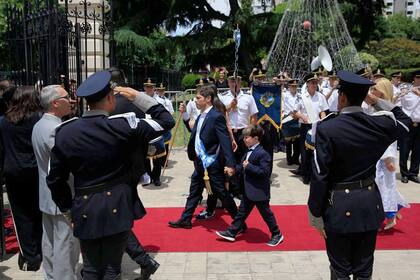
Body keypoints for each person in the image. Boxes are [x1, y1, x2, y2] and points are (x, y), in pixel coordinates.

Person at [46, 70, 175, 280]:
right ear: (109, 98)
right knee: (111, 270)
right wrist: (138, 96)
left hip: (85, 207)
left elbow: (54, 179)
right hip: (118, 204)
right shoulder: (125, 126)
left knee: (90, 269)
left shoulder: (65, 131)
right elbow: (166, 121)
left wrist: (67, 209)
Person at [308, 70, 411, 280]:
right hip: (368, 203)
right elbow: (404, 121)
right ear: (364, 96)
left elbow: (320, 175)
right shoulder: (378, 124)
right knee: (364, 270)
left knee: (340, 269)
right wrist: (373, 101)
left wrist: (315, 212)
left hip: (338, 206)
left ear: (343, 97)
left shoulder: (327, 128)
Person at [108, 68, 161, 280]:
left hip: (114, 169)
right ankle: (141, 261)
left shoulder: (110, 103)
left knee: (115, 220)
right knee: (117, 219)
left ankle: (137, 262)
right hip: (133, 167)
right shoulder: (135, 103)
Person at [168, 85, 239, 229]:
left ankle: (239, 222)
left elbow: (225, 141)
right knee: (194, 190)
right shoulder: (201, 115)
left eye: (198, 98)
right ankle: (186, 219)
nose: (195, 100)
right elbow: (193, 131)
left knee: (222, 193)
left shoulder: (216, 116)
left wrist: (230, 164)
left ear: (208, 99)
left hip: (212, 162)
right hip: (200, 162)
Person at [31, 85, 80, 279]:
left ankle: (51, 276)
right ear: (55, 103)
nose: (72, 101)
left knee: (51, 241)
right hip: (61, 195)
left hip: (47, 195)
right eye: (67, 97)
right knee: (65, 244)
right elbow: (65, 165)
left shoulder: (40, 124)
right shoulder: (56, 129)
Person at [216, 124, 284, 246]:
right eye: (244, 137)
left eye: (247, 137)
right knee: (241, 213)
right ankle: (232, 232)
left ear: (256, 138)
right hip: (248, 190)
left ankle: (277, 234)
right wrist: (233, 170)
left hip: (259, 191)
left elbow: (265, 172)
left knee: (266, 214)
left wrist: (250, 166)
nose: (244, 139)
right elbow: (242, 166)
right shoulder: (248, 152)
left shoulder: (263, 153)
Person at [0, 86, 43, 271]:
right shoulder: (38, 120)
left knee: (21, 216)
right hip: (36, 172)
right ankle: (40, 250)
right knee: (39, 213)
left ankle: (30, 255)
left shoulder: (3, 122)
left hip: (13, 172)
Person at [368, 78, 409, 230]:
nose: (372, 92)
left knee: (384, 189)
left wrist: (387, 158)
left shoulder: (389, 111)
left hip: (384, 157)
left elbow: (389, 137)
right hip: (376, 156)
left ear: (383, 91)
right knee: (381, 188)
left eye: (375, 89)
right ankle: (389, 215)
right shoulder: (376, 108)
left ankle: (385, 218)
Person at [291, 73, 328, 184]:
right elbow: (294, 111)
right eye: (312, 82)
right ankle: (305, 175)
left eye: (316, 82)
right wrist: (303, 117)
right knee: (305, 152)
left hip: (317, 125)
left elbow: (323, 110)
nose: (314, 84)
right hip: (305, 126)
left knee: (316, 151)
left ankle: (314, 174)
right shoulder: (301, 97)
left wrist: (324, 120)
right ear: (307, 84)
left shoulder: (320, 96)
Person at [399, 69, 420, 184]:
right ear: (414, 79)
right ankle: (404, 174)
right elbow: (399, 103)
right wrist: (407, 91)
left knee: (417, 151)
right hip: (409, 123)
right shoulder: (406, 91)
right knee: (404, 150)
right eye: (418, 78)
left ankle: (413, 173)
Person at [282, 79, 300, 165]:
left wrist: (297, 114)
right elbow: (281, 106)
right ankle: (289, 159)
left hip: (297, 118)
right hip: (287, 118)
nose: (294, 88)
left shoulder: (299, 96)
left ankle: (295, 158)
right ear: (289, 87)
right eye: (292, 86)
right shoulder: (284, 95)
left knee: (297, 141)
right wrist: (289, 113)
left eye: (295, 86)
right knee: (288, 141)